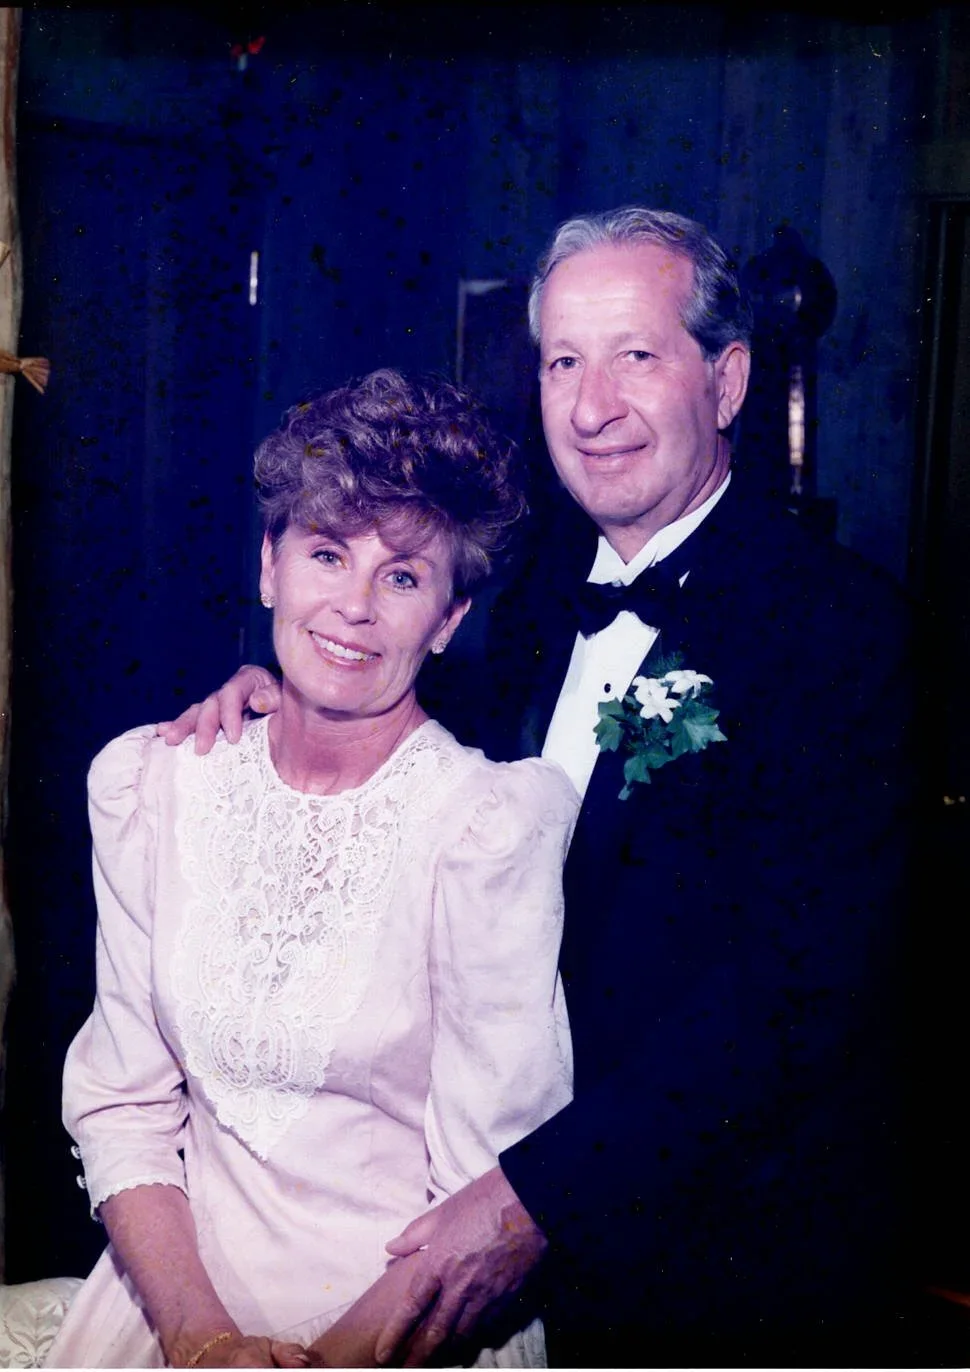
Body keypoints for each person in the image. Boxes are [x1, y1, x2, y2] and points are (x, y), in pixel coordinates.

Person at [169, 209, 916, 1367]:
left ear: (724, 381)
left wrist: (530, 1199)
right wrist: (278, 695)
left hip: (716, 1276)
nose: (589, 406)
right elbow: (400, 770)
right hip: (472, 1231)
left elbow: (792, 995)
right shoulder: (507, 607)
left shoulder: (846, 631)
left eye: (634, 356)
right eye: (564, 360)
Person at [46, 369, 579, 1369]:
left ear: (450, 619)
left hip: (403, 1332)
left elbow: (483, 1207)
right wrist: (204, 1342)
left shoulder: (488, 830)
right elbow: (123, 1103)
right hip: (171, 1309)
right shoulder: (149, 787)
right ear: (268, 565)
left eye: (405, 576)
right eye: (327, 554)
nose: (354, 608)